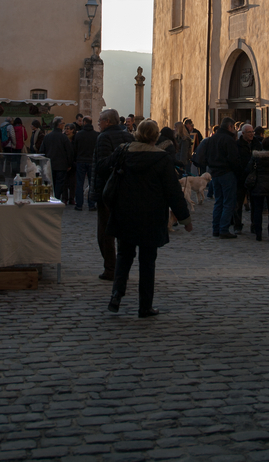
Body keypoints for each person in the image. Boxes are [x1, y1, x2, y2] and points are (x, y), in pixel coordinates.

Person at [105, 119, 192, 318]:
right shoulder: (161, 159)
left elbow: (103, 168)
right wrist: (185, 218)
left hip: (125, 212)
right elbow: (173, 191)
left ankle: (116, 295)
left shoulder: (124, 152)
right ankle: (145, 306)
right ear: (155, 136)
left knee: (124, 256)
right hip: (151, 215)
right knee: (147, 261)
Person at [93, 108, 134, 280]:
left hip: (108, 191)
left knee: (105, 233)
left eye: (100, 120)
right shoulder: (129, 137)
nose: (99, 123)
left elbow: (102, 166)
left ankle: (111, 268)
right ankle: (123, 267)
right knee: (124, 232)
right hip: (126, 190)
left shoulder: (104, 137)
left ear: (107, 122)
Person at [204, 117, 241, 239]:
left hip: (215, 173)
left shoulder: (213, 138)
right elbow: (233, 159)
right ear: (230, 127)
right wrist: (238, 171)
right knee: (228, 202)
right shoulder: (229, 139)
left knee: (218, 202)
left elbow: (207, 155)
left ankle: (216, 229)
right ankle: (224, 229)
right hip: (226, 173)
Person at [244, 135, 269, 241]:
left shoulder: (257, 157)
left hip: (258, 185)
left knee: (257, 210)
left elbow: (248, 169)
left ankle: (258, 233)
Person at [41, 117, 74, 205]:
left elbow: (42, 151)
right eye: (63, 123)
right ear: (59, 125)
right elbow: (69, 152)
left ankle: (51, 198)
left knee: (51, 183)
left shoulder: (47, 137)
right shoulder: (63, 137)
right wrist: (69, 164)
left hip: (50, 164)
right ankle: (56, 199)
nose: (63, 125)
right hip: (61, 165)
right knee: (59, 184)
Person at [231, 123, 257, 232]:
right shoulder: (237, 145)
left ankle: (255, 225)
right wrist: (241, 171)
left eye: (252, 132)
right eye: (249, 132)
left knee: (255, 203)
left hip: (254, 177)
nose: (251, 134)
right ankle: (237, 225)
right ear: (243, 133)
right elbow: (235, 160)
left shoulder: (257, 144)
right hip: (241, 177)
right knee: (238, 203)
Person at [73, 113, 99, 211]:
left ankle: (79, 204)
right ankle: (91, 204)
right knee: (92, 184)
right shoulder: (96, 135)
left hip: (80, 161)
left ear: (84, 122)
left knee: (79, 183)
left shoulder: (79, 134)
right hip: (92, 161)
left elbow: (75, 149)